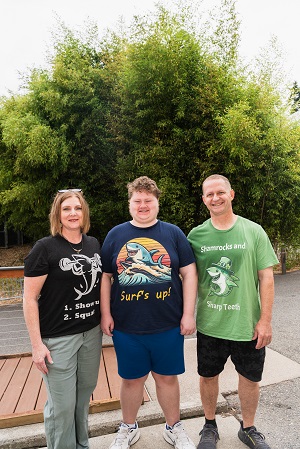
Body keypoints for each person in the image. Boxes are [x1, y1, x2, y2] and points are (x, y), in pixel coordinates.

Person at [100, 176, 198, 449]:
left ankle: (173, 427)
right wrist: (105, 314)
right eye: (137, 201)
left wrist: (188, 313)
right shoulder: (116, 235)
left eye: (148, 201)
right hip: (126, 326)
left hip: (167, 324)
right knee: (131, 380)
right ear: (130, 204)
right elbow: (106, 277)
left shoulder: (173, 233)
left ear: (157, 203)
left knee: (167, 378)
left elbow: (189, 273)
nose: (143, 205)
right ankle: (128, 428)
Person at [187, 174, 279, 449]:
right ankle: (209, 425)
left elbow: (267, 278)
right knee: (207, 376)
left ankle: (248, 428)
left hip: (247, 325)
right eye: (209, 194)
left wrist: (265, 321)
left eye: (220, 192)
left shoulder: (253, 231)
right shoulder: (196, 236)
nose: (215, 198)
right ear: (204, 200)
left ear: (231, 194)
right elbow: (186, 278)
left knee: (250, 379)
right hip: (210, 324)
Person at [23, 189, 102, 449]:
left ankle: (82, 444)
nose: (72, 213)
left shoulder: (93, 244)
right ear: (57, 214)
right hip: (58, 339)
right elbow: (29, 299)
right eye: (66, 209)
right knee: (62, 406)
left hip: (91, 334)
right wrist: (36, 345)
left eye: (77, 208)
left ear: (84, 212)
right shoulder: (44, 248)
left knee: (82, 399)